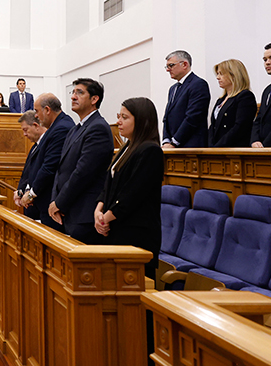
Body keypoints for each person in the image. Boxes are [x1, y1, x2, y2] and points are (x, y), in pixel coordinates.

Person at [95, 97, 164, 280]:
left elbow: (133, 194)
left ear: (141, 120)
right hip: (115, 227)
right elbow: (109, 184)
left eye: (124, 117)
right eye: (119, 116)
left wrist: (104, 219)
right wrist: (98, 209)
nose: (118, 121)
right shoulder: (127, 147)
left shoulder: (150, 151)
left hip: (135, 233)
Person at [47, 78, 113, 242]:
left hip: (84, 214)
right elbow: (61, 169)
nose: (73, 97)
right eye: (73, 92)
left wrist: (60, 202)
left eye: (80, 92)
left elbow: (83, 173)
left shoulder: (98, 128)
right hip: (68, 211)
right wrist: (55, 201)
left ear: (94, 99)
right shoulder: (76, 129)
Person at [19, 93, 75, 227]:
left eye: (37, 111)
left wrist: (32, 194)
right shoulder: (56, 127)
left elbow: (49, 167)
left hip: (51, 201)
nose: (36, 116)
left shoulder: (61, 128)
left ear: (47, 110)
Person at [161, 50, 210, 148]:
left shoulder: (198, 84)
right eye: (167, 66)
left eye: (171, 65)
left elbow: (193, 117)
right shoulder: (173, 88)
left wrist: (174, 142)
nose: (168, 70)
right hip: (172, 146)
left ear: (184, 64)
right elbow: (167, 117)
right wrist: (166, 140)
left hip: (191, 146)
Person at [208, 59, 258, 147]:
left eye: (221, 73)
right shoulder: (221, 100)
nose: (218, 77)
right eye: (217, 74)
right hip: (216, 148)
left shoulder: (245, 96)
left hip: (233, 148)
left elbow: (240, 127)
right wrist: (211, 145)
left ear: (234, 75)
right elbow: (213, 126)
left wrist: (219, 146)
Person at [14, 110, 46, 220]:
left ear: (36, 126)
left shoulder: (46, 145)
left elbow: (45, 172)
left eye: (25, 130)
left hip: (41, 205)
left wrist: (30, 194)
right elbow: (27, 173)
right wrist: (20, 191)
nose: (24, 134)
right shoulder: (34, 147)